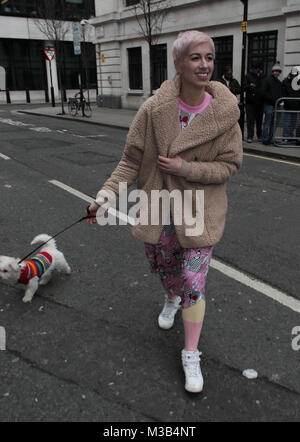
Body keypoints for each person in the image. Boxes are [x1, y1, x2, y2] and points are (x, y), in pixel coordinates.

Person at [86, 30, 243, 393]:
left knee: (193, 281)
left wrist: (185, 169)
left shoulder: (224, 114)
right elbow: (130, 161)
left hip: (200, 210)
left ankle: (191, 353)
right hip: (157, 207)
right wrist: (104, 197)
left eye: (209, 58)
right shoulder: (153, 110)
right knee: (165, 268)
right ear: (178, 63)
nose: (204, 65)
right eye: (195, 57)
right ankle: (170, 296)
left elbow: (229, 166)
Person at [261, 62, 283, 145]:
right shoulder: (267, 80)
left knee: (274, 123)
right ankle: (265, 139)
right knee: (267, 122)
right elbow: (264, 92)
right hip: (269, 105)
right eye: (275, 71)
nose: (277, 72)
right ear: (272, 71)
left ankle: (270, 138)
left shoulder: (279, 82)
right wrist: (272, 100)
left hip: (276, 105)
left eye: (278, 71)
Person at [244, 63, 264, 143]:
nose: (256, 70)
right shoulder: (248, 76)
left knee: (259, 120)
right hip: (250, 102)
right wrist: (249, 86)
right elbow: (244, 86)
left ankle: (259, 135)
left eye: (257, 68)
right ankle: (250, 136)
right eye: (254, 68)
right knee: (250, 121)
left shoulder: (262, 76)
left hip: (260, 102)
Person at [282, 67, 300, 142]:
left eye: (295, 75)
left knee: (293, 122)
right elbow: (283, 92)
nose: (294, 77)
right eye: (293, 75)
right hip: (288, 105)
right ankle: (286, 136)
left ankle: (290, 136)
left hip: (296, 106)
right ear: (290, 74)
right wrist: (286, 102)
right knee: (287, 122)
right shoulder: (285, 81)